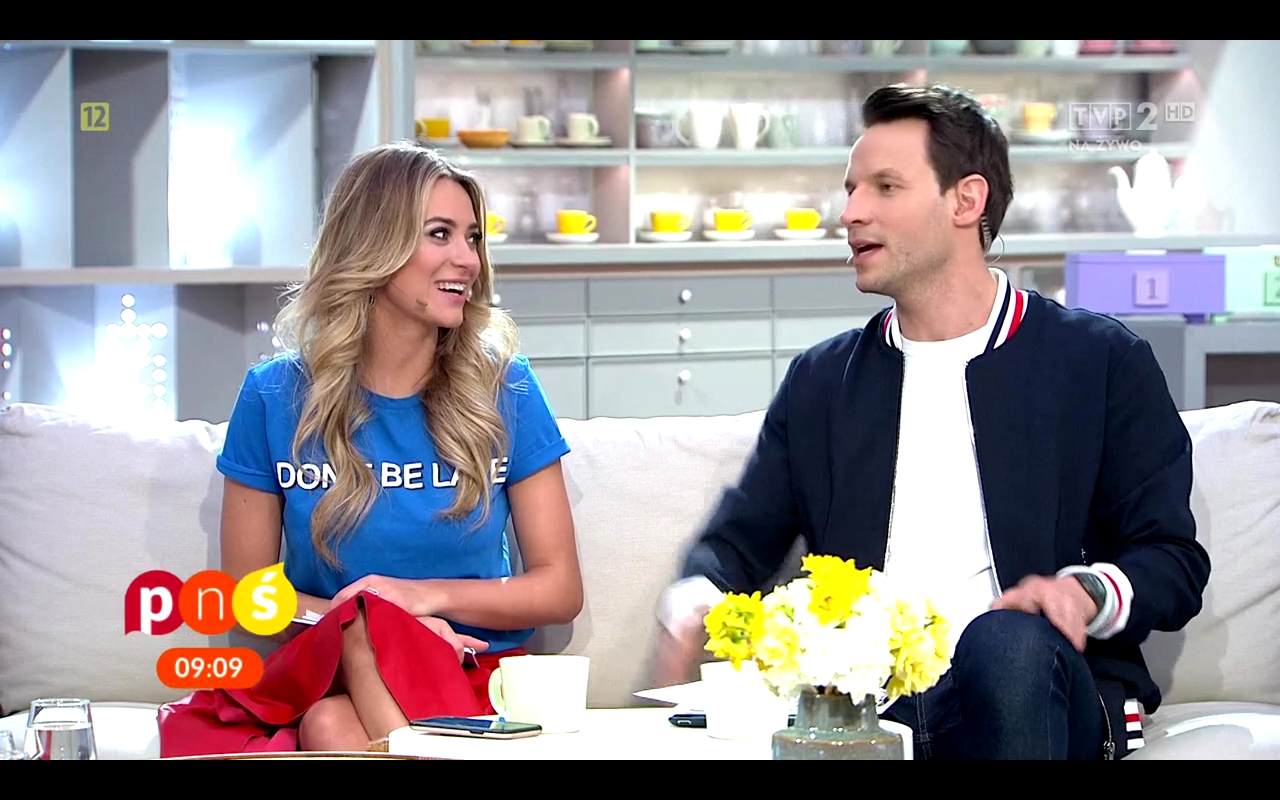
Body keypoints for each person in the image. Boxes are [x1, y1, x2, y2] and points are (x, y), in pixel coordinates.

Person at [650, 84, 1210, 760]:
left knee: (1002, 644)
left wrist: (1084, 591)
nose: (851, 213)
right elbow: (738, 542)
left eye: (885, 187)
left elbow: (1171, 558)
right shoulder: (822, 381)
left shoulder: (1099, 360)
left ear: (966, 201)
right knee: (835, 704)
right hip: (869, 705)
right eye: (851, 190)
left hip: (1036, 688)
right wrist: (696, 598)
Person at [157, 142, 584, 755]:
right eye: (440, 234)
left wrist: (418, 601)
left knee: (329, 726)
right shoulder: (275, 396)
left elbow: (559, 588)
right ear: (373, 246)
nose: (467, 259)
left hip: (465, 667)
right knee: (349, 662)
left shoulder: (504, 389)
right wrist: (372, 623)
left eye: (472, 238)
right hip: (330, 660)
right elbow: (249, 596)